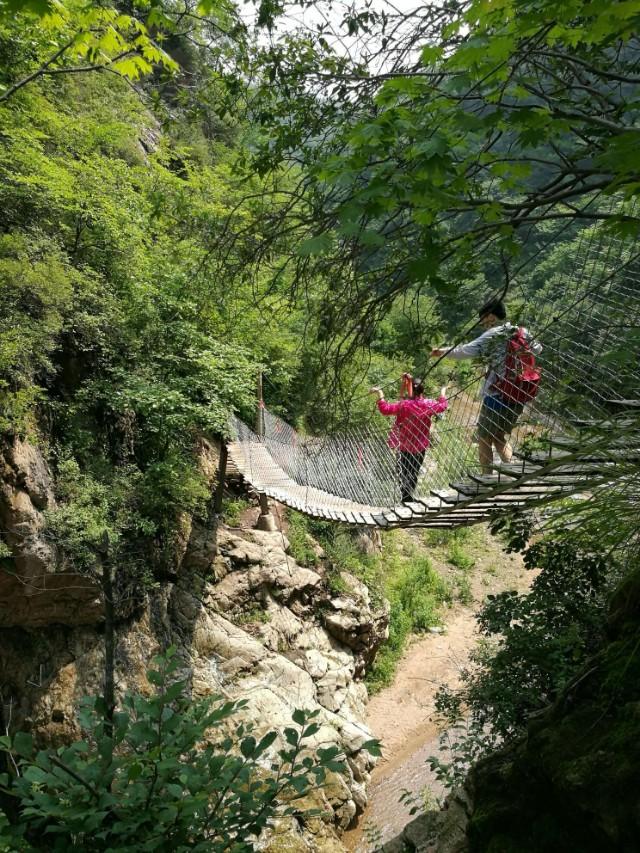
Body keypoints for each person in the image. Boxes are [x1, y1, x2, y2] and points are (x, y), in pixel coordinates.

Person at [430, 298, 542, 474]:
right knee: (498, 436)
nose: (482, 323)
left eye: (482, 319)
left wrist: (441, 352)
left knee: (483, 438)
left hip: (497, 395)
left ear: (490, 316)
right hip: (519, 393)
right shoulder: (522, 331)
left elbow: (465, 351)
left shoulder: (493, 334)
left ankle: (487, 480)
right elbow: (537, 350)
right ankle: (513, 474)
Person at [369, 377, 448, 503]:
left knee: (403, 472)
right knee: (413, 472)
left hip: (404, 446)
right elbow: (443, 406)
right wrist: (443, 391)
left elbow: (385, 409)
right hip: (420, 447)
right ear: (423, 390)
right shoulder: (428, 404)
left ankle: (406, 497)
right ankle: (408, 497)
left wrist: (380, 393)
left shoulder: (403, 405)